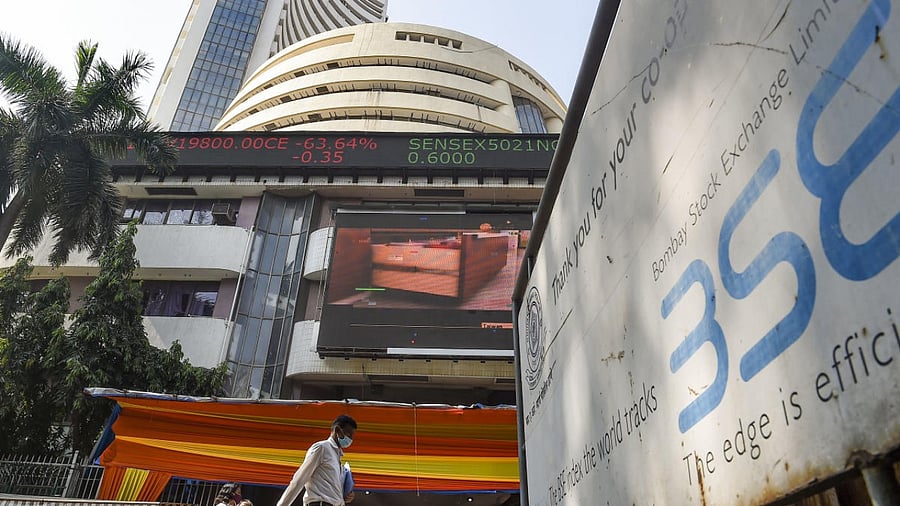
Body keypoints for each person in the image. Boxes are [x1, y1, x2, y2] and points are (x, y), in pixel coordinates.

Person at [276, 414, 358, 506]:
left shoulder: (337, 458)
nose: (351, 439)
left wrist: (347, 495)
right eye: (349, 434)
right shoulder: (321, 448)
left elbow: (333, 490)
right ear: (337, 430)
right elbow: (299, 479)